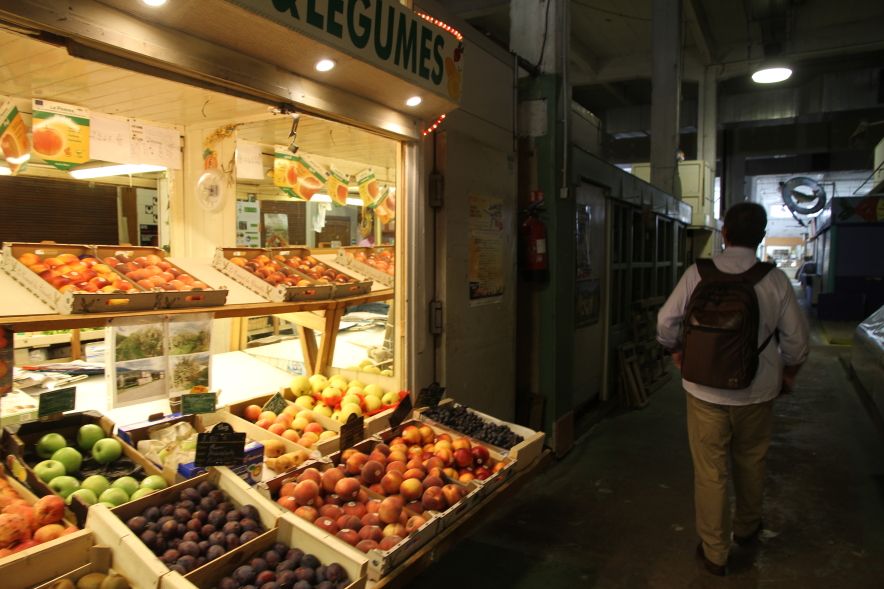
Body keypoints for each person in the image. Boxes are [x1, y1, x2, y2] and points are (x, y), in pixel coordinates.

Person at [656, 202, 809, 576]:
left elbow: (665, 322)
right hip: (757, 391)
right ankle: (747, 528)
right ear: (761, 236)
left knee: (710, 471)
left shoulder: (698, 272)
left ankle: (715, 553)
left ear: (724, 233)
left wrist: (678, 352)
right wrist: (787, 375)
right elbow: (797, 344)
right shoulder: (774, 280)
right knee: (751, 459)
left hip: (703, 391)